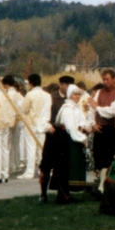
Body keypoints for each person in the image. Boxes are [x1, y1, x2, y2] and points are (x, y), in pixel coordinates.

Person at [41, 75, 74, 203]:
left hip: (65, 136)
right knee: (46, 165)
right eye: (67, 85)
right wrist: (48, 126)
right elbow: (44, 116)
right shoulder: (51, 97)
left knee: (62, 166)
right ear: (61, 85)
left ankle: (62, 195)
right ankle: (43, 194)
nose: (69, 88)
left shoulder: (71, 98)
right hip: (53, 134)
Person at [92, 70, 115, 187]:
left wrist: (97, 108)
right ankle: (100, 183)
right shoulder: (99, 92)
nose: (105, 82)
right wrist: (93, 123)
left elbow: (112, 112)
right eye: (103, 79)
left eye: (107, 79)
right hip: (99, 128)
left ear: (114, 79)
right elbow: (91, 109)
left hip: (111, 129)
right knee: (98, 157)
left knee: (107, 158)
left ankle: (103, 185)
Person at [20, 74, 51, 180]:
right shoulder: (47, 95)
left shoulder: (30, 95)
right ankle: (41, 169)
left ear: (31, 83)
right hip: (42, 124)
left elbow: (24, 109)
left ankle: (29, 171)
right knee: (41, 149)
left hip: (31, 124)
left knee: (30, 148)